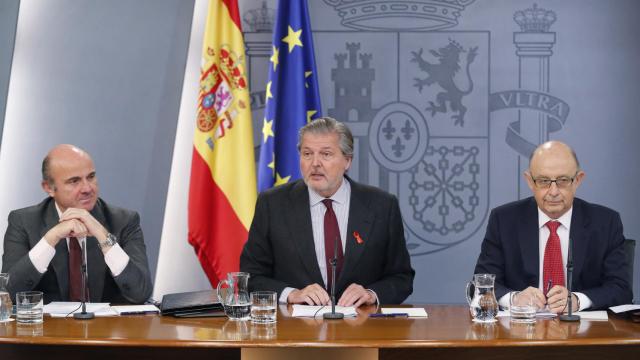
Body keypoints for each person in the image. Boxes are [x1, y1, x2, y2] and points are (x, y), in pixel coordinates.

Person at [240, 117, 414, 307]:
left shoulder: (382, 206)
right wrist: (291, 294)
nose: (315, 163)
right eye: (307, 154)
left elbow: (401, 278)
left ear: (347, 160)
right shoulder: (272, 204)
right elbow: (251, 277)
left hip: (362, 329)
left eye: (326, 154)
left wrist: (371, 294)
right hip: (296, 330)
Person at [474, 141, 632, 313]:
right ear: (530, 181)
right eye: (543, 181)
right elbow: (481, 285)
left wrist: (578, 301)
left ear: (578, 180)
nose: (553, 191)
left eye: (563, 181)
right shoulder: (503, 220)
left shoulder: (606, 222)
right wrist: (514, 299)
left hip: (585, 335)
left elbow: (621, 289)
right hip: (521, 333)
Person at [2, 144, 152, 304]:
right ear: (49, 188)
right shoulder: (23, 222)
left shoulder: (124, 221)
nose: (87, 188)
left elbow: (141, 293)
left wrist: (103, 236)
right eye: (74, 181)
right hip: (48, 328)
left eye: (91, 177)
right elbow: (8, 295)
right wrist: (50, 239)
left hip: (106, 327)